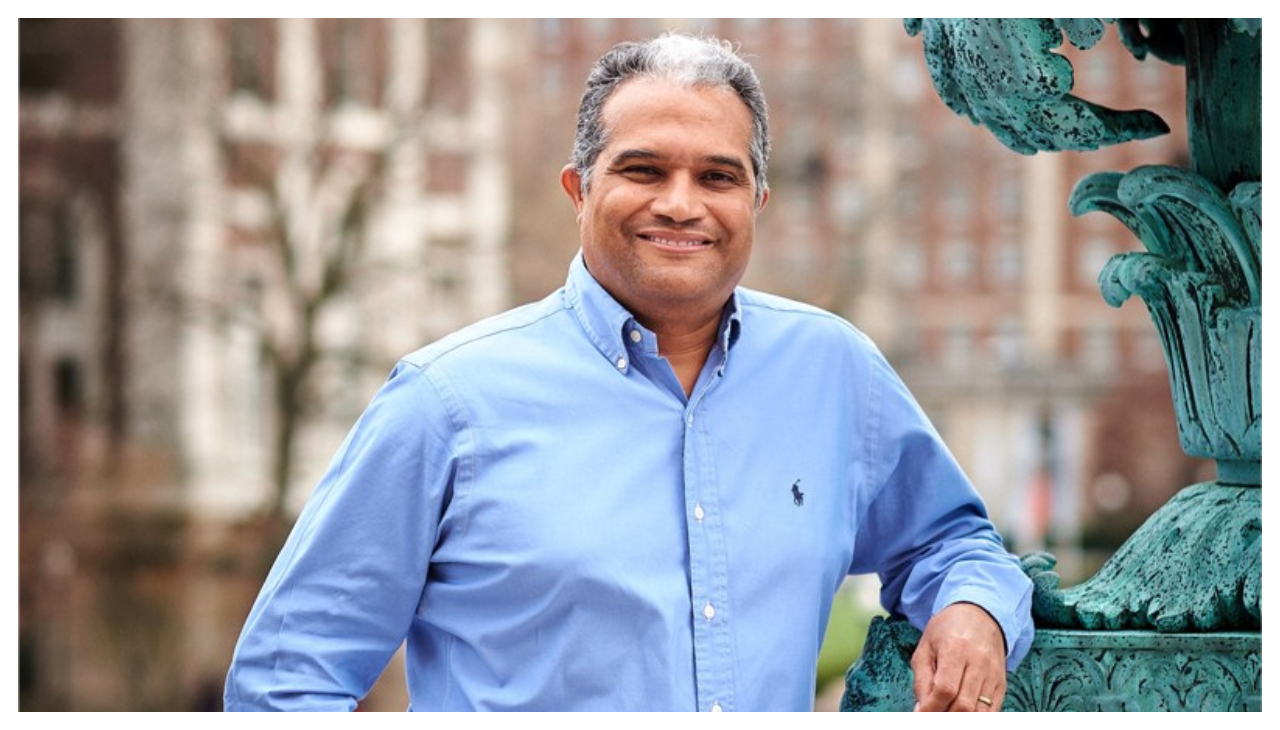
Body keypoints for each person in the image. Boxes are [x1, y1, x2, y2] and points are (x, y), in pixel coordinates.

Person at [224, 32, 1033, 712]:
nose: (681, 204)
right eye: (644, 170)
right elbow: (288, 678)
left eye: (717, 176)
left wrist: (973, 611)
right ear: (580, 190)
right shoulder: (446, 404)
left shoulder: (835, 373)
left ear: (756, 201)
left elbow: (954, 540)